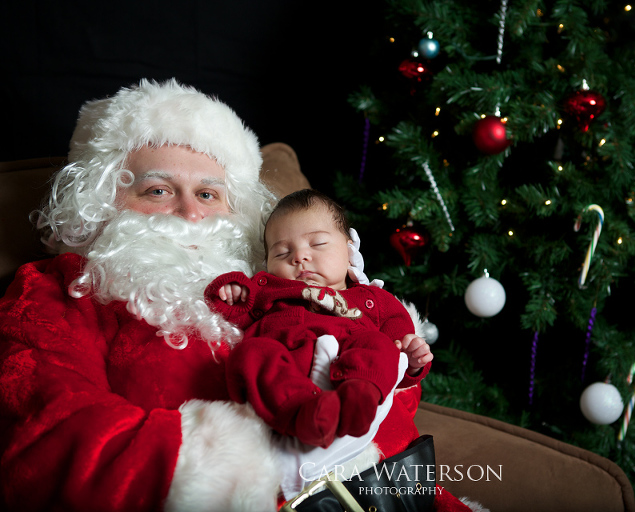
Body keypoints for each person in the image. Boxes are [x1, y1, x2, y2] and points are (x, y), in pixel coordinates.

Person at [0, 79, 477, 512]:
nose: (190, 214)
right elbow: (44, 434)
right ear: (101, 201)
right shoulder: (56, 290)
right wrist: (236, 458)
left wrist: (389, 374)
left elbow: (392, 411)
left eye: (208, 194)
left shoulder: (279, 272)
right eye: (159, 190)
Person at [207, 189, 433, 496]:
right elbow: (237, 311)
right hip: (289, 361)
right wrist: (232, 293)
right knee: (252, 352)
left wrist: (412, 357)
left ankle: (359, 398)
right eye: (282, 253)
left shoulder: (372, 300)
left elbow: (399, 353)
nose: (300, 257)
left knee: (378, 345)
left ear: (349, 249)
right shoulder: (270, 290)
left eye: (318, 243)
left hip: (354, 353)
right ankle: (304, 413)